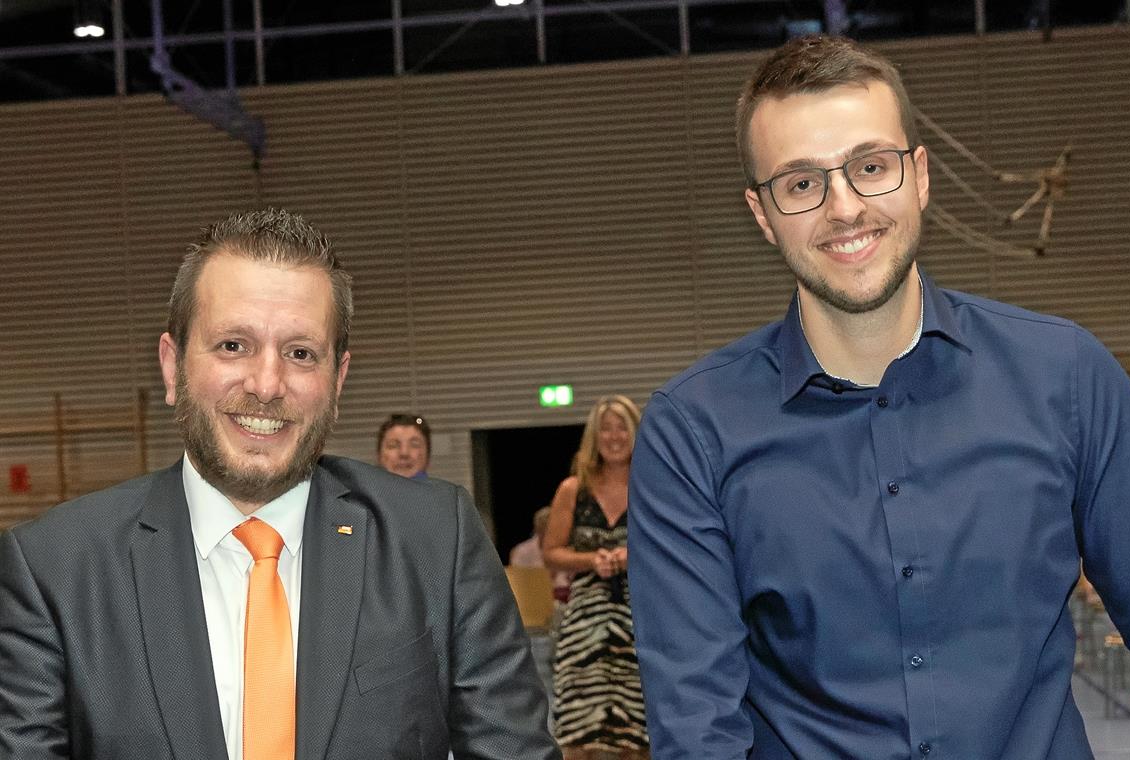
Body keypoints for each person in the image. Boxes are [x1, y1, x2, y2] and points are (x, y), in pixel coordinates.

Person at [627, 35, 1130, 760]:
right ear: (762, 213)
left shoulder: (1068, 376)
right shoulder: (694, 433)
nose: (845, 208)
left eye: (871, 167)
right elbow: (697, 728)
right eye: (802, 184)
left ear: (919, 176)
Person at [0, 208, 559, 760]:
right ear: (172, 368)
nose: (267, 384)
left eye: (300, 353)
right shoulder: (53, 569)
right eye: (233, 345)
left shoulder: (437, 539)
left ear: (337, 380)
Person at [543, 395, 649, 760]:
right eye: (606, 428)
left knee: (638, 728)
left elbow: (674, 545)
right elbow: (551, 552)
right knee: (580, 728)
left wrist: (633, 556)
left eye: (623, 427)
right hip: (585, 624)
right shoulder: (573, 489)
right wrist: (593, 560)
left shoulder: (653, 484)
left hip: (641, 619)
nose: (615, 436)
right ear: (594, 436)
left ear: (636, 432)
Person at [377, 412, 431, 479]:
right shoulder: (363, 488)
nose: (404, 453)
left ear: (427, 454)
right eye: (393, 445)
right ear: (379, 455)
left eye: (414, 445)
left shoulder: (444, 489)